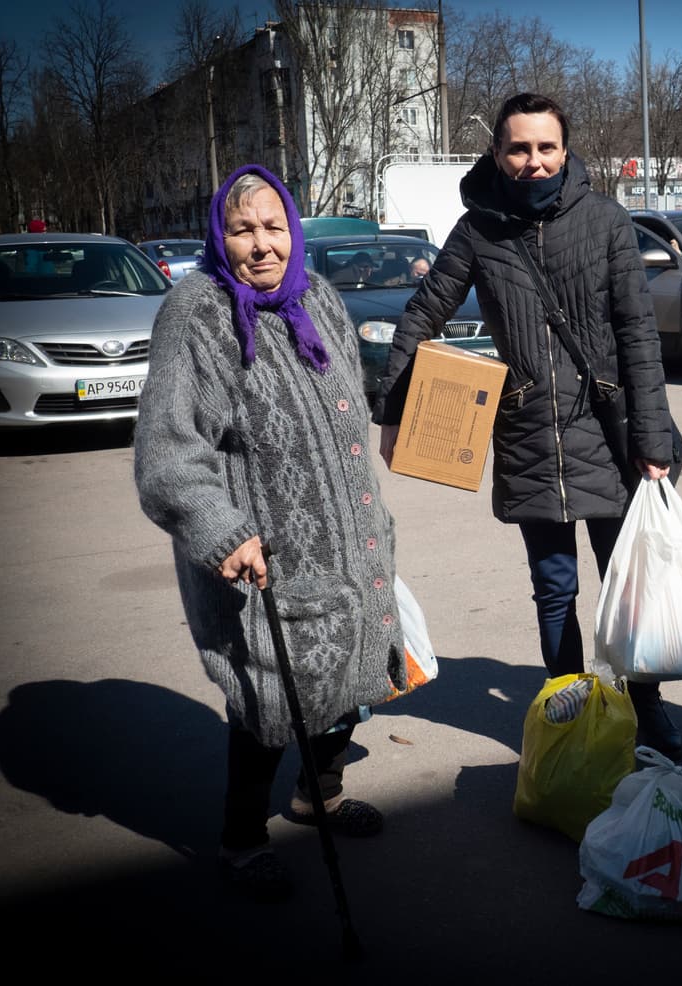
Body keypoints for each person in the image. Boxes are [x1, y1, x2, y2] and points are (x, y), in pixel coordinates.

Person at [373, 92, 682, 759]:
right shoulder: (478, 231)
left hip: (607, 432)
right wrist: (394, 409)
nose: (534, 161)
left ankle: (648, 710)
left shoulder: (604, 221)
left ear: (566, 152)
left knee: (625, 586)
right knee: (554, 588)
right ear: (498, 154)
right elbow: (423, 312)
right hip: (527, 434)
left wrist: (653, 441)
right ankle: (569, 716)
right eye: (519, 148)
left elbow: (638, 335)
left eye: (546, 147)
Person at [134, 164, 405, 901]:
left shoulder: (318, 297)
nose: (262, 245)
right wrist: (222, 532)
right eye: (243, 228)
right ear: (219, 237)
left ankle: (318, 796)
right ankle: (241, 838)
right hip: (259, 556)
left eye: (274, 226)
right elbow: (167, 454)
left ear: (294, 228)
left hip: (347, 543)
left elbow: (350, 395)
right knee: (265, 700)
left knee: (348, 677)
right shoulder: (197, 311)